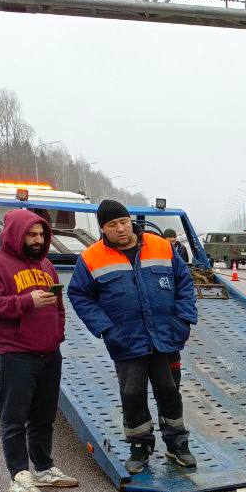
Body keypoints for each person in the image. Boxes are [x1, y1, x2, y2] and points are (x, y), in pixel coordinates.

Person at [68, 199, 198, 474]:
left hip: (165, 337)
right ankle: (140, 448)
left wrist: (184, 319)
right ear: (103, 229)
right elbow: (79, 295)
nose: (121, 229)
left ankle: (177, 445)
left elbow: (184, 283)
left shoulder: (161, 246)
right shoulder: (91, 258)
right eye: (112, 225)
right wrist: (106, 328)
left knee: (170, 391)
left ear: (130, 221)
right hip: (126, 340)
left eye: (123, 222)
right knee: (132, 394)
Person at [0, 208, 79, 492]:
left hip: (48, 353)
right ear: (16, 234)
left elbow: (57, 305)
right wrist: (25, 302)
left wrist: (57, 332)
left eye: (42, 234)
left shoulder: (45, 265)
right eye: (31, 234)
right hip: (13, 353)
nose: (38, 239)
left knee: (44, 416)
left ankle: (43, 470)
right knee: (14, 418)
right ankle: (19, 475)